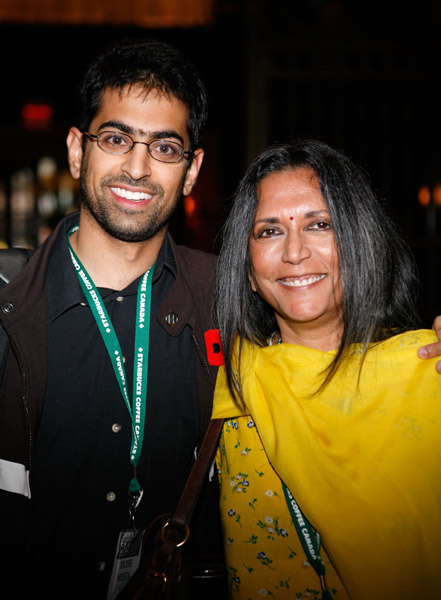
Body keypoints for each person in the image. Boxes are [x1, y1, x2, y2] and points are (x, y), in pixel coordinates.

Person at [0, 38, 227, 599]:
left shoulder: (233, 301)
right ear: (78, 151)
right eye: (117, 138)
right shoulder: (8, 303)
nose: (137, 166)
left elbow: (337, 351)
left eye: (166, 147)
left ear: (192, 170)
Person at [211, 139, 441, 600]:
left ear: (358, 244)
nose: (294, 252)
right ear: (250, 272)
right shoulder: (227, 384)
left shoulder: (426, 376)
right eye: (270, 231)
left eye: (319, 224)